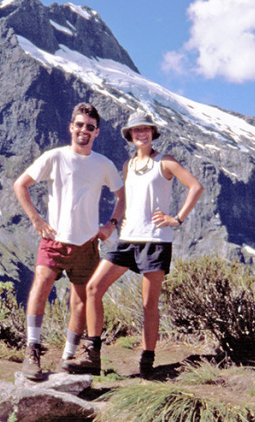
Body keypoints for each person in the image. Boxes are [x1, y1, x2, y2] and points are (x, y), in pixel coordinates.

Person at [62, 111, 204, 378]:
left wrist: (177, 218)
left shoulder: (166, 162)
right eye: (136, 130)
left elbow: (195, 187)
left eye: (146, 129)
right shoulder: (127, 166)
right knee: (93, 288)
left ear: (153, 132)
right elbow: (126, 199)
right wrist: (115, 223)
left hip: (155, 241)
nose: (141, 134)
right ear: (129, 135)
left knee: (149, 304)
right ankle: (93, 355)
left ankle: (147, 362)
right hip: (127, 240)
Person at [14, 102, 124, 380]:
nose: (83, 130)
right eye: (79, 125)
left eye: (89, 127)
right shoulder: (55, 157)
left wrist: (111, 224)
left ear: (96, 132)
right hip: (55, 240)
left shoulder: (103, 164)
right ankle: (32, 349)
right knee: (40, 285)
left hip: (87, 244)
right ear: (71, 127)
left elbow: (123, 196)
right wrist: (37, 221)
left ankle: (68, 357)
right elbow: (20, 185)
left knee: (79, 302)